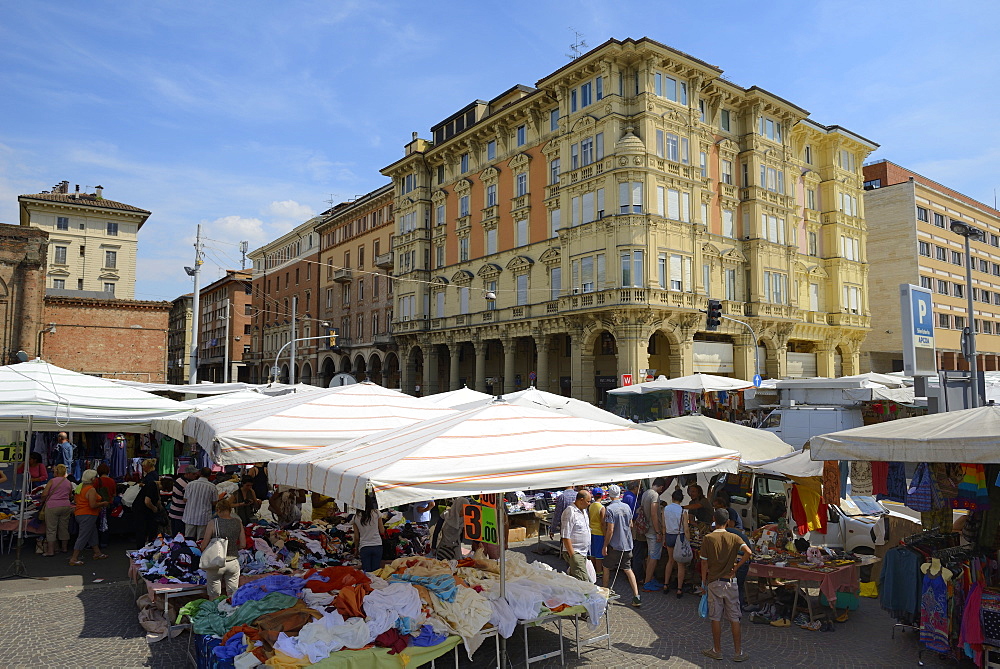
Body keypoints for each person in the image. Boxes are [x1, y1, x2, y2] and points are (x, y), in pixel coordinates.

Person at [700, 509, 753, 663]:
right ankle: (738, 652)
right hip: (730, 582)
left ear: (714, 519)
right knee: (734, 618)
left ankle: (717, 650)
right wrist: (736, 567)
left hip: (714, 581)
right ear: (728, 521)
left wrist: (704, 581)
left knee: (716, 617)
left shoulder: (708, 538)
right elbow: (748, 552)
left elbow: (704, 562)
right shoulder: (734, 537)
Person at [601, 484, 641, 607]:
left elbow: (610, 530)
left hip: (615, 544)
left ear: (610, 495)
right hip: (627, 544)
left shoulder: (610, 509)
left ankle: (604, 593)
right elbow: (631, 524)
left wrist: (605, 545)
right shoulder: (627, 507)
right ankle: (636, 596)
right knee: (628, 569)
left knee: (606, 566)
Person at [200, 497, 247, 599]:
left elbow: (204, 545)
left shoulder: (213, 523)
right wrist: (234, 547)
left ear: (218, 510)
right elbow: (243, 544)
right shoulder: (238, 522)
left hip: (216, 563)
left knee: (214, 596)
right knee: (232, 596)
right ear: (230, 510)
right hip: (233, 562)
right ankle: (230, 613)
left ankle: (215, 613)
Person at [68, 470, 110, 565]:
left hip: (80, 513)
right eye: (95, 477)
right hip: (88, 514)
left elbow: (75, 500)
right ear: (92, 479)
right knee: (83, 536)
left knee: (92, 533)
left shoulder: (80, 487)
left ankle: (97, 552)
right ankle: (74, 558)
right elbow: (93, 505)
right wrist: (103, 503)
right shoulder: (91, 489)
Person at [641, 478, 668, 591]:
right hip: (653, 530)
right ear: (661, 487)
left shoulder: (645, 493)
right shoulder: (655, 496)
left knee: (649, 555)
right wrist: (658, 532)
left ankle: (649, 578)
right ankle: (647, 582)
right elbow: (654, 514)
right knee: (653, 557)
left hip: (647, 529)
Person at [40, 463, 74, 556]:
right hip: (66, 505)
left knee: (51, 529)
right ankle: (64, 548)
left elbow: (44, 494)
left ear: (56, 472)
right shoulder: (68, 482)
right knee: (64, 527)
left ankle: (50, 551)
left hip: (52, 506)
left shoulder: (52, 481)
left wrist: (43, 500)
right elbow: (70, 495)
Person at [560, 489, 593, 582]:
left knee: (577, 580)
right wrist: (573, 556)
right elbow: (565, 535)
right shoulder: (570, 511)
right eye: (588, 501)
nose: (589, 503)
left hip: (583, 552)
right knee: (583, 581)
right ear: (581, 500)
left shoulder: (584, 511)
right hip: (575, 552)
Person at [724, 512, 753, 610]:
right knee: (739, 586)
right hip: (744, 561)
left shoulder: (726, 533)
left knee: (732, 586)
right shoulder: (734, 532)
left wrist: (735, 566)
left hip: (740, 560)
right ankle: (738, 609)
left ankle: (732, 609)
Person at [662, 489, 688, 598]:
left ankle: (666, 584)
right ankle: (679, 589)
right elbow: (686, 529)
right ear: (681, 500)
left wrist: (664, 537)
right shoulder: (683, 511)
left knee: (670, 560)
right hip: (679, 536)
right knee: (680, 564)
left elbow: (663, 525)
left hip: (669, 535)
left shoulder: (666, 509)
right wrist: (688, 540)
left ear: (672, 498)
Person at [133, 458, 162, 547]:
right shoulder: (153, 475)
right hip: (146, 506)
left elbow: (147, 499)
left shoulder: (150, 477)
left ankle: (142, 546)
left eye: (144, 466)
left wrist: (154, 508)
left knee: (142, 528)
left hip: (143, 507)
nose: (143, 468)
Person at [353, 492, 386, 572]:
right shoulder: (376, 513)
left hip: (364, 547)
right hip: (377, 545)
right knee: (376, 572)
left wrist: (356, 549)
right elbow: (382, 530)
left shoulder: (355, 517)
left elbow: (356, 537)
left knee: (367, 573)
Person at [182, 468, 218, 539]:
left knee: (188, 539)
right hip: (204, 517)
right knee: (201, 540)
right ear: (210, 475)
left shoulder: (190, 484)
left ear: (199, 473)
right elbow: (214, 502)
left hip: (190, 515)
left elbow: (185, 499)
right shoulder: (212, 487)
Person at [435, 496, 469, 561]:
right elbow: (437, 531)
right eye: (463, 509)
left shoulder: (464, 519)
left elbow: (461, 536)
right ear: (458, 507)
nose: (465, 512)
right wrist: (433, 547)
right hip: (443, 548)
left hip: (455, 550)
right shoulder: (446, 515)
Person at [169, 466, 198, 536]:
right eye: (193, 474)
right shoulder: (186, 485)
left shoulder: (178, 480)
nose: (196, 475)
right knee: (179, 536)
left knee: (175, 535)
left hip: (173, 511)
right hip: (179, 514)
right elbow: (187, 499)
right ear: (188, 474)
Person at [93, 464, 117, 548]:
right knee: (106, 523)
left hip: (99, 504)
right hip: (109, 504)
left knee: (98, 523)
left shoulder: (96, 481)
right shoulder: (112, 481)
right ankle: (105, 541)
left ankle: (98, 541)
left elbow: (93, 492)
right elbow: (114, 494)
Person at [588, 487, 607, 583]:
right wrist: (605, 533)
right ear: (602, 496)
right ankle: (599, 571)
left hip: (591, 531)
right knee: (599, 554)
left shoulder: (591, 506)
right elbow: (603, 522)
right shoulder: (602, 508)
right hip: (599, 532)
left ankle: (593, 570)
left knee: (592, 553)